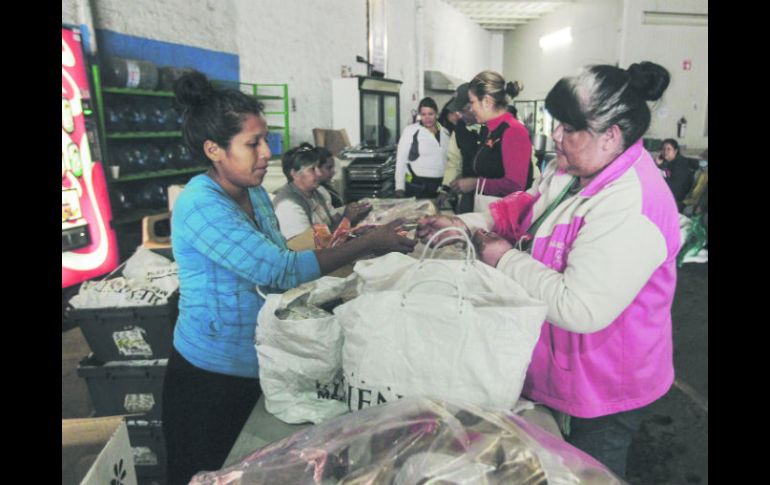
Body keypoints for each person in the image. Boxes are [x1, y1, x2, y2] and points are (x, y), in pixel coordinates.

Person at [417, 61, 678, 479]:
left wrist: (503, 258)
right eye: (557, 124)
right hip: (560, 368)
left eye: (569, 128)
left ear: (611, 135)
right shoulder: (569, 169)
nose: (555, 135)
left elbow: (580, 306)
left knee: (590, 471)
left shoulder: (633, 203)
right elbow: (526, 211)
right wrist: (465, 224)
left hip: (606, 383)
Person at [162, 71, 416, 485]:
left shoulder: (256, 192)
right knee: (205, 471)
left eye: (265, 139)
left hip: (261, 358)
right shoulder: (200, 205)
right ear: (214, 150)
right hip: (211, 375)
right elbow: (277, 271)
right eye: (252, 143)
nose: (266, 153)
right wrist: (368, 244)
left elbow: (282, 255)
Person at [449, 71, 533, 205]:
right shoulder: (489, 130)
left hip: (506, 215)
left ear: (487, 101)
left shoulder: (513, 131)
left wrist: (475, 184)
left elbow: (516, 185)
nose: (471, 109)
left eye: (472, 102)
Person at [273, 143, 370, 240]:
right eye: (312, 169)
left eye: (318, 168)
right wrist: (347, 219)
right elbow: (308, 247)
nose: (319, 174)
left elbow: (335, 224)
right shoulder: (289, 206)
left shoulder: (319, 191)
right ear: (294, 173)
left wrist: (355, 217)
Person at [440, 83, 485, 213]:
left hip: (496, 198)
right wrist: (445, 189)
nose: (458, 115)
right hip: (468, 197)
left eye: (462, 110)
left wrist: (476, 183)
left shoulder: (497, 129)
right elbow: (454, 162)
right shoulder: (459, 130)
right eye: (456, 111)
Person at [394, 97, 450, 199]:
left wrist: (446, 188)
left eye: (431, 114)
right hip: (417, 185)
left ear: (436, 114)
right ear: (420, 115)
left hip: (439, 186)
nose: (427, 118)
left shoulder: (445, 132)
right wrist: (399, 188)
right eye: (423, 114)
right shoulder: (411, 131)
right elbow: (401, 160)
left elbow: (448, 160)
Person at [657, 138, 699, 212]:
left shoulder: (680, 164)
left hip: (678, 200)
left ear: (675, 151)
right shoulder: (669, 163)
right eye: (663, 149)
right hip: (671, 196)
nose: (665, 152)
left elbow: (674, 186)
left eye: (668, 149)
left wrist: (661, 166)